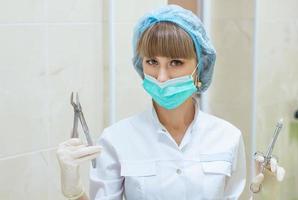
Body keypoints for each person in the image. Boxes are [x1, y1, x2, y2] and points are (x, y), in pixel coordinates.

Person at [56, 5, 284, 200]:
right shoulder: (116, 139)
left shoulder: (228, 137)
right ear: (140, 63)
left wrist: (266, 194)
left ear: (200, 67)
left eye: (176, 62)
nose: (162, 77)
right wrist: (74, 192)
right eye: (152, 61)